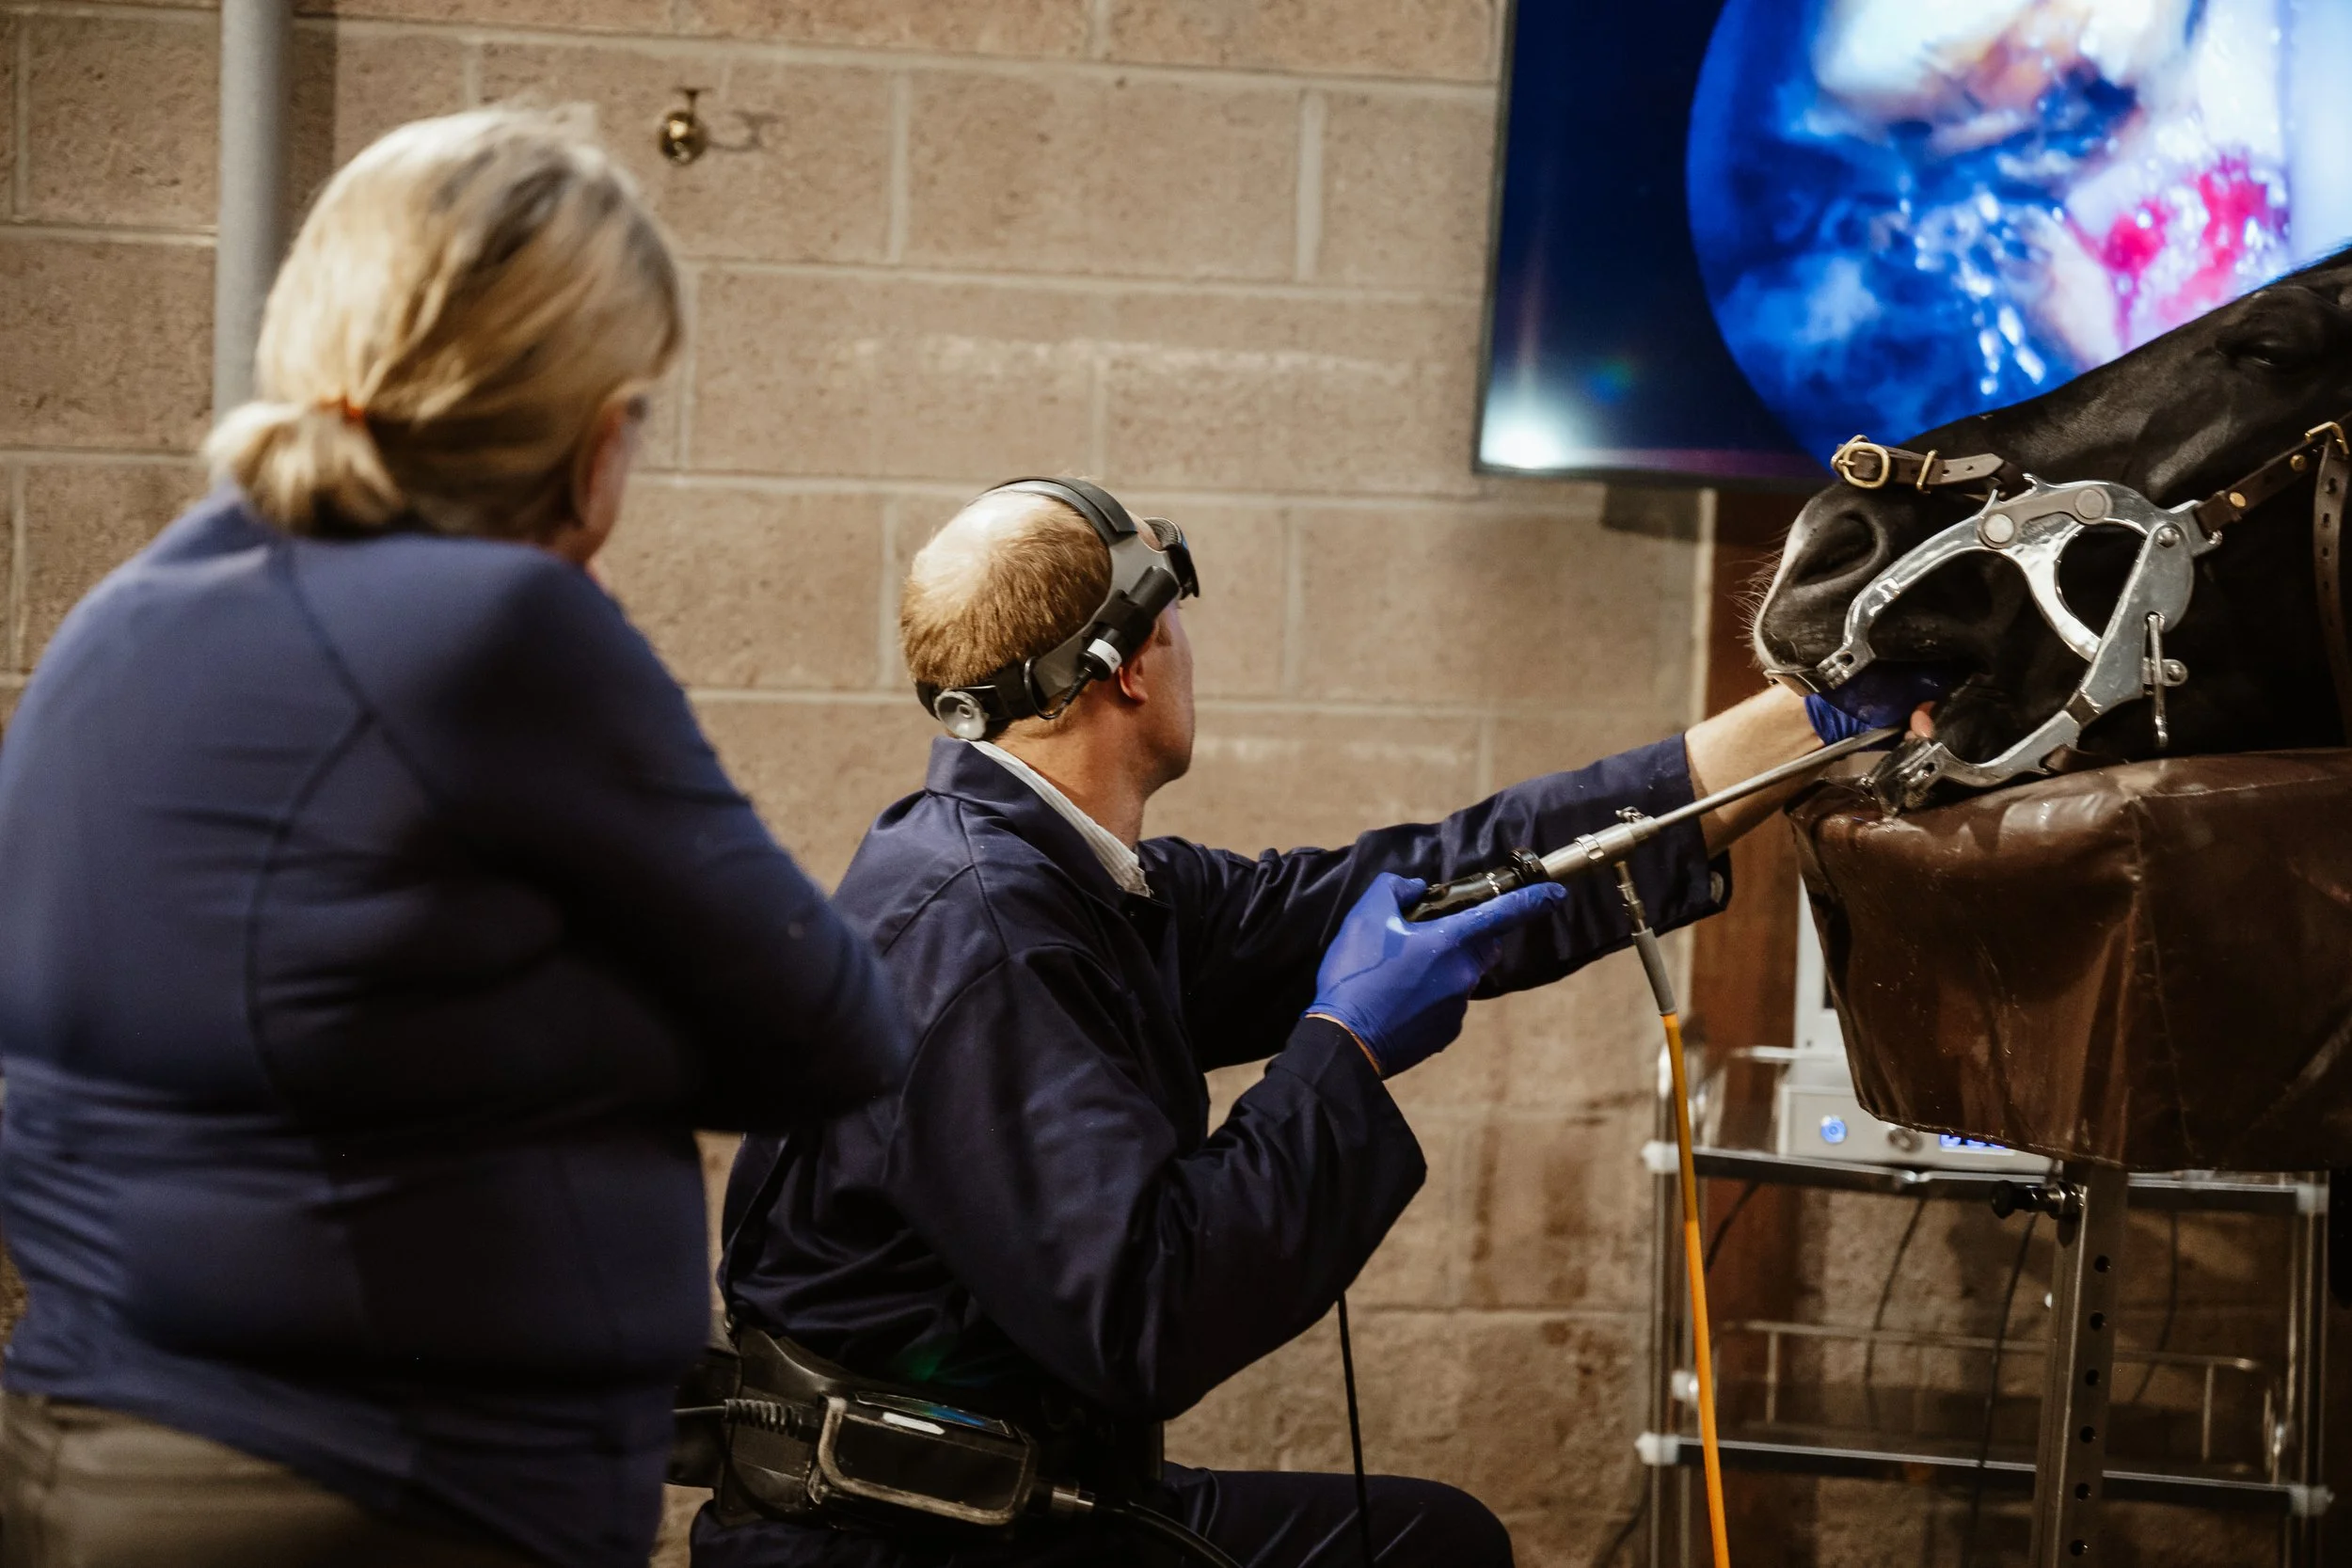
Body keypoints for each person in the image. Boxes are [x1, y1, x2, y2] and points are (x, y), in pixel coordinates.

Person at [0, 110, 913, 1568]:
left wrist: (510, 1018)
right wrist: (603, 1036)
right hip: (374, 1496)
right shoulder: (499, 629)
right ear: (592, 435)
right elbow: (832, 1029)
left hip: (93, 1448)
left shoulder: (125, 617)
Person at [694, 477, 1875, 1568]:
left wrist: (1808, 726)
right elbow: (1153, 1310)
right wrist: (1341, 1046)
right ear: (1132, 664)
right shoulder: (993, 934)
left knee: (1423, 1538)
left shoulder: (1068, 879)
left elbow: (1434, 877)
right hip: (898, 1537)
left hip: (1008, 1489)